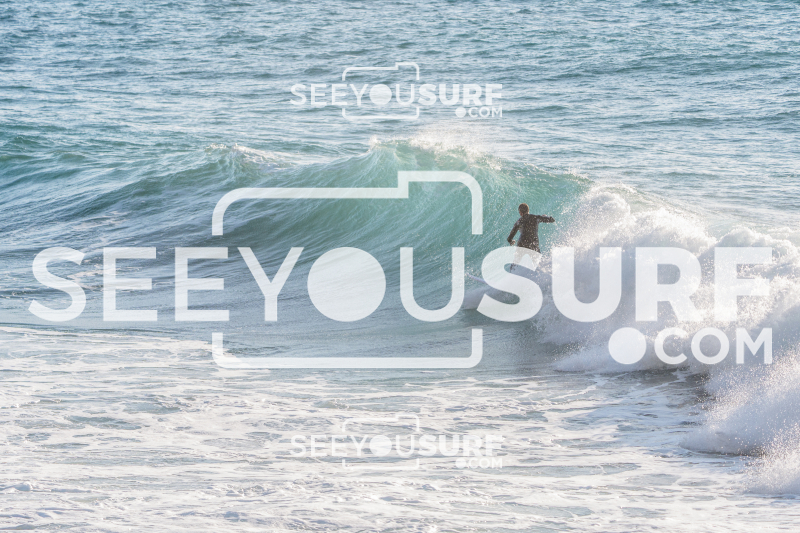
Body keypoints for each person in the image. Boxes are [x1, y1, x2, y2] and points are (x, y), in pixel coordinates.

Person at [507, 203, 555, 269]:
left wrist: (511, 241)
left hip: (522, 244)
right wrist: (545, 217)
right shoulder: (536, 217)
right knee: (538, 264)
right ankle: (541, 273)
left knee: (515, 263)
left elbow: (509, 237)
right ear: (528, 210)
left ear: (521, 213)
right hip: (533, 243)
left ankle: (512, 272)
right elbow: (552, 220)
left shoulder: (518, 222)